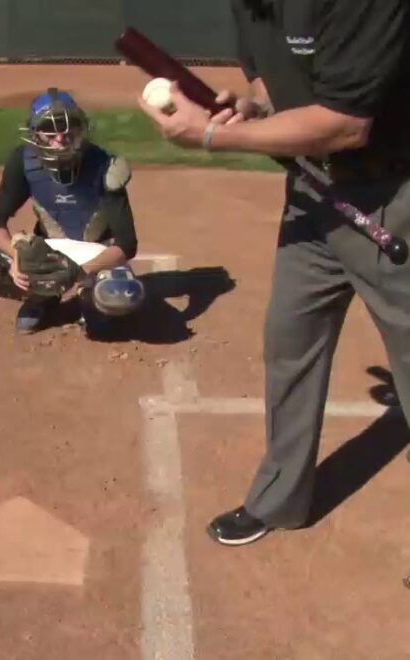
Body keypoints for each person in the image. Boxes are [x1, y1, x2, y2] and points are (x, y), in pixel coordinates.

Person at [138, 0, 410, 545]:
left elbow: (347, 125)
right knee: (291, 344)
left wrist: (213, 138)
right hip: (313, 199)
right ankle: (279, 500)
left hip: (392, 197)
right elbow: (272, 81)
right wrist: (252, 105)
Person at [0, 87, 144, 334]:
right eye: (49, 128)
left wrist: (78, 272)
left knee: (118, 296)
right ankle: (41, 298)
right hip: (49, 252)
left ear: (81, 128)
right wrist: (16, 258)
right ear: (35, 133)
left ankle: (89, 297)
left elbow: (127, 243)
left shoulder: (105, 165)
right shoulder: (22, 162)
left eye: (68, 126)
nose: (60, 137)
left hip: (96, 254)